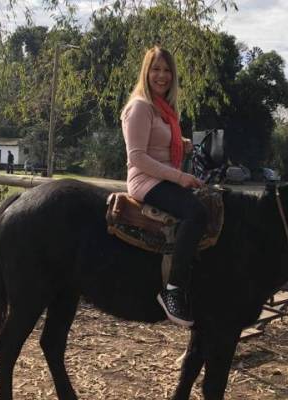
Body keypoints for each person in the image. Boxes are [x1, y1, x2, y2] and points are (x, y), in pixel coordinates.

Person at [120, 46, 205, 327]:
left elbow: (158, 146)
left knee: (212, 202)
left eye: (167, 70)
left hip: (163, 178)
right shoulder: (140, 107)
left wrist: (181, 145)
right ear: (146, 71)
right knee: (196, 213)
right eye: (156, 69)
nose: (162, 75)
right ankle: (173, 289)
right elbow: (137, 157)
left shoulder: (164, 110)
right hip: (146, 181)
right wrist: (180, 177)